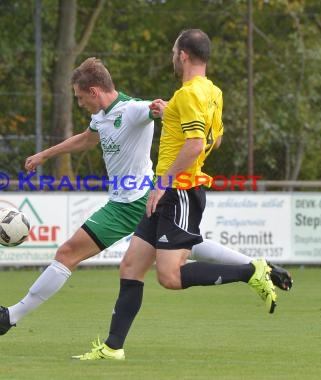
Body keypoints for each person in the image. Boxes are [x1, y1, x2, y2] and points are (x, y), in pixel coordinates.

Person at [0, 57, 292, 337]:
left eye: (79, 98)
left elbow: (161, 109)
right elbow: (86, 139)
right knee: (188, 247)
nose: (79, 104)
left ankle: (10, 316)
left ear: (95, 91)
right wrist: (44, 155)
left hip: (130, 203)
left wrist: (162, 108)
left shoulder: (133, 110)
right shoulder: (101, 116)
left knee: (67, 253)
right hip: (141, 201)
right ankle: (260, 268)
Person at [73, 29, 280, 361]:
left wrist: (165, 182)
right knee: (130, 266)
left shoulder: (187, 94)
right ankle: (113, 348)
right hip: (175, 188)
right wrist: (172, 114)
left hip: (178, 191)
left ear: (183, 54)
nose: (172, 56)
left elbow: (196, 144)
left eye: (173, 51)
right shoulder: (211, 92)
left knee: (169, 276)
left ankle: (250, 271)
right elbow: (214, 140)